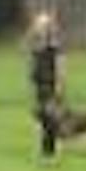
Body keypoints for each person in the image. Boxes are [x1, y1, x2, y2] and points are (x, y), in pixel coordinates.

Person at [28, 9, 63, 158]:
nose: (42, 28)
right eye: (39, 25)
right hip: (38, 85)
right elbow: (32, 66)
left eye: (45, 25)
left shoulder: (55, 47)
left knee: (52, 117)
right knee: (39, 117)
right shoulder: (35, 46)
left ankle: (53, 148)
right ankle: (41, 147)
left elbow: (61, 66)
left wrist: (60, 85)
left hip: (50, 84)